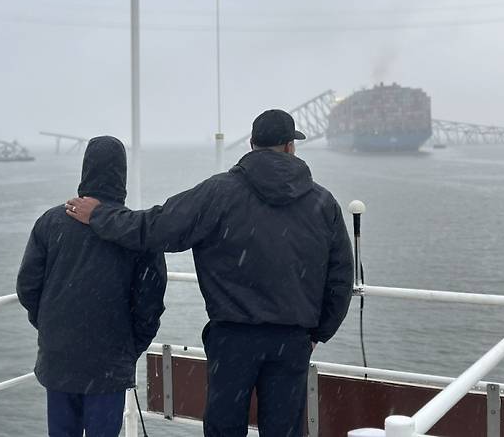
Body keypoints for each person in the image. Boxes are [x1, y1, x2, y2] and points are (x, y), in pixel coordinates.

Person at [66, 110, 353, 437]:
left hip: (232, 339)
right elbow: (340, 280)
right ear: (290, 147)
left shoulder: (220, 193)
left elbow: (156, 227)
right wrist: (317, 332)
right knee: (285, 431)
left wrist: (100, 215)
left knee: (224, 429)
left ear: (251, 144)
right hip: (292, 340)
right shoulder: (323, 202)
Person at [17, 135, 167, 437]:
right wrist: (130, 346)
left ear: (85, 169)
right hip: (108, 362)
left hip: (59, 357)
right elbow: (151, 302)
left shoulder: (50, 223)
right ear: (121, 174)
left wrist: (50, 325)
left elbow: (28, 288)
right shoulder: (135, 231)